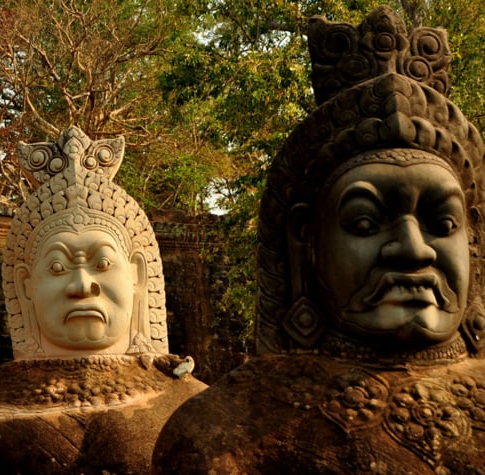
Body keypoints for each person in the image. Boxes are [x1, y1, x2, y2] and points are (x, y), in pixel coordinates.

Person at [153, 7, 485, 473]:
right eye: (365, 223)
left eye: (443, 223)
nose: (413, 251)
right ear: (303, 242)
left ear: (474, 240)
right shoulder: (226, 433)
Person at [0, 127, 206, 474]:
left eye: (102, 264)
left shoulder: (194, 407)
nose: (82, 286)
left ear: (137, 274)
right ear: (25, 285)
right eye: (57, 267)